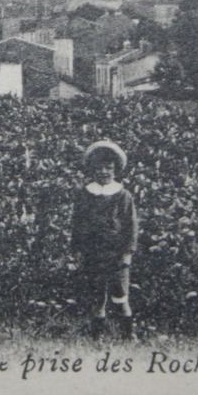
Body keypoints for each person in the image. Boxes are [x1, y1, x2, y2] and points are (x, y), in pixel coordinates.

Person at [72, 139, 139, 340]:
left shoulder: (123, 195)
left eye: (108, 168)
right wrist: (77, 250)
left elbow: (131, 226)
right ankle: (96, 336)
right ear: (92, 169)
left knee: (120, 294)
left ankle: (128, 335)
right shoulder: (85, 194)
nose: (103, 172)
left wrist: (128, 252)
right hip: (93, 251)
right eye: (99, 168)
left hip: (116, 252)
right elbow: (77, 223)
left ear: (115, 170)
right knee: (97, 294)